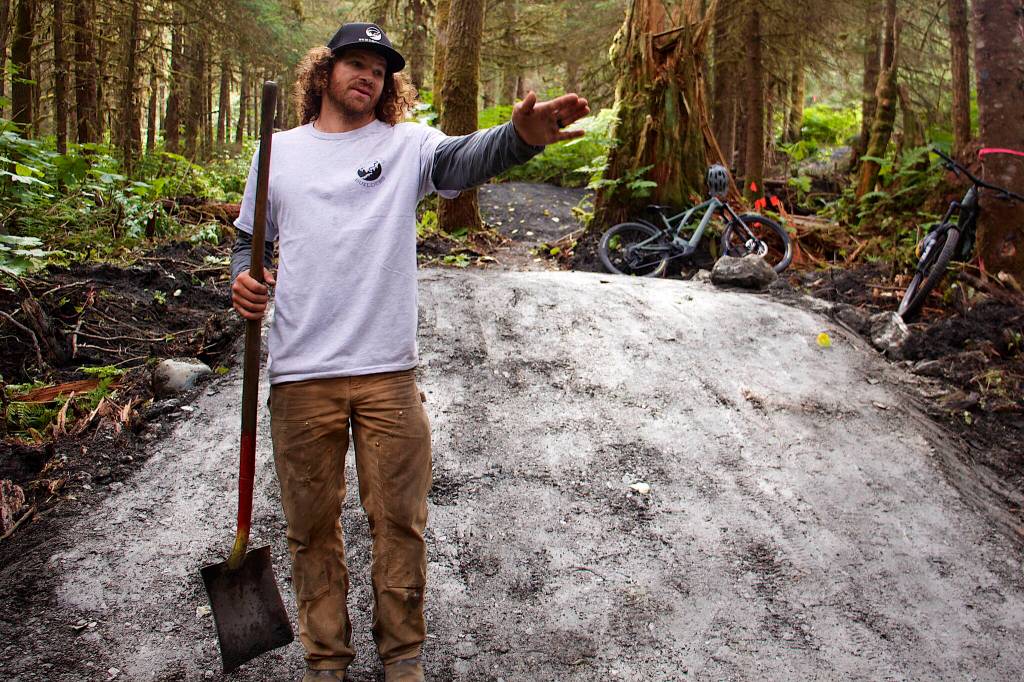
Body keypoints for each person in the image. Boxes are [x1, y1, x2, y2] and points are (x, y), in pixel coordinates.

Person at [229, 21, 589, 682]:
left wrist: (519, 140)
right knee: (312, 532)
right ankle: (327, 661)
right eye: (356, 63)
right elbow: (248, 240)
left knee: (400, 523)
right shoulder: (277, 152)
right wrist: (242, 281)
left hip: (388, 374)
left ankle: (402, 659)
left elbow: (463, 158)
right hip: (300, 374)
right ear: (325, 71)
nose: (368, 76)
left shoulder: (405, 145)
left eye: (380, 69)